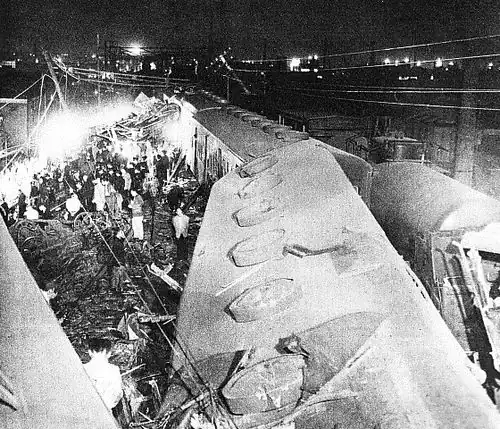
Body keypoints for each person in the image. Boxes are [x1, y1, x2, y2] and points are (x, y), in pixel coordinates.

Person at [83, 338, 123, 412]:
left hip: (84, 409)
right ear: (109, 353)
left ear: (90, 352)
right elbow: (117, 393)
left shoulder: (83, 368)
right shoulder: (114, 370)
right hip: (105, 412)